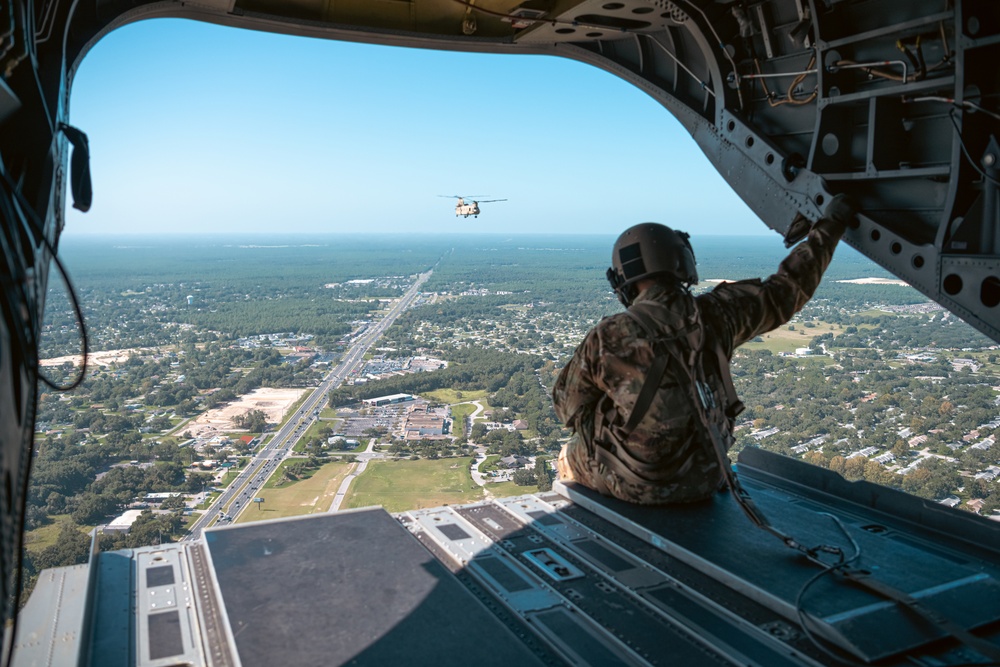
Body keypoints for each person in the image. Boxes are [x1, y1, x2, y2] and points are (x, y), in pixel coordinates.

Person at [552, 196, 857, 505]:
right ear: (682, 262)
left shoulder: (609, 336)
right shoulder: (720, 314)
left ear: (623, 279)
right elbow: (788, 289)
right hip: (709, 477)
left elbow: (568, 407)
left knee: (570, 450)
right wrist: (830, 226)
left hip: (635, 485)